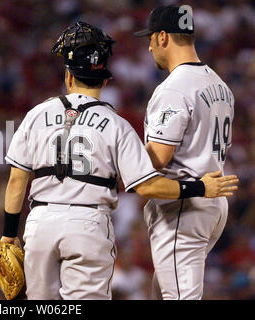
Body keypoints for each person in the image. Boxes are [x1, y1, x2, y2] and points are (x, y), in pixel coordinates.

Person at [0, 21, 238, 300]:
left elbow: (16, 181)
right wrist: (198, 188)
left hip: (40, 223)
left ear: (69, 76)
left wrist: (8, 235)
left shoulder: (37, 115)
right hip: (88, 223)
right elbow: (147, 186)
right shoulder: (116, 125)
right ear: (105, 79)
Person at [134, 5, 236, 300]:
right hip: (211, 205)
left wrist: (117, 155)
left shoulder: (173, 89)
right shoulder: (219, 84)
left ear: (163, 36)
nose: (149, 45)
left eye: (151, 37)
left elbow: (157, 159)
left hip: (184, 206)